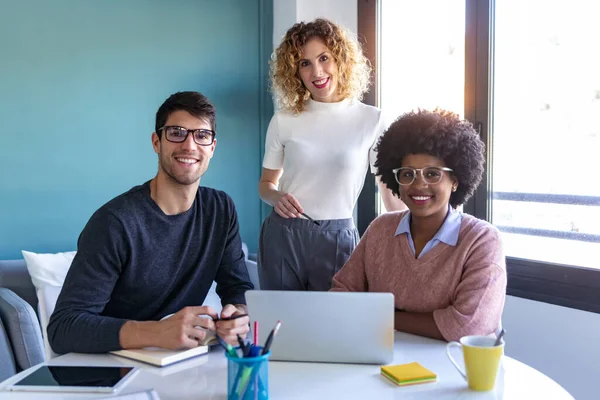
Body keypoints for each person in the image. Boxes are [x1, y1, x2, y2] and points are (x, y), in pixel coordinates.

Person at [47, 91, 253, 354]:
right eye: (177, 132)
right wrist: (157, 333)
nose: (190, 146)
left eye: (201, 135)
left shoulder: (220, 209)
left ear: (212, 147)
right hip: (111, 367)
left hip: (179, 362)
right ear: (157, 142)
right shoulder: (114, 222)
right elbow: (64, 328)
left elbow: (237, 287)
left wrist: (237, 315)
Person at [331, 109, 506, 342]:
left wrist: (382, 315)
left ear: (455, 181)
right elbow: (341, 294)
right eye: (408, 174)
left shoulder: (482, 240)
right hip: (383, 364)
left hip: (453, 370)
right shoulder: (381, 229)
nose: (418, 184)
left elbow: (468, 326)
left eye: (433, 174)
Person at [258, 18, 406, 291]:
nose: (317, 71)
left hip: (338, 238)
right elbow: (266, 185)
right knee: (278, 325)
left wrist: (419, 232)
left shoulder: (372, 120)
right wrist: (276, 196)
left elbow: (390, 195)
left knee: (334, 326)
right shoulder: (284, 119)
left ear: (340, 59)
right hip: (283, 235)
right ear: (295, 72)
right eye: (305, 63)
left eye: (324, 58)